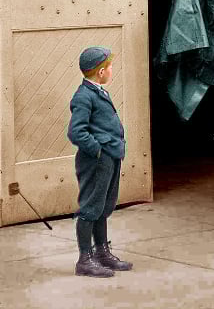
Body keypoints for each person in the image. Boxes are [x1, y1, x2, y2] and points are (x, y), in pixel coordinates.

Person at [68, 47, 133, 278]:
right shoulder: (83, 96)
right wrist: (97, 150)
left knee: (104, 206)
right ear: (102, 71)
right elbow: (76, 132)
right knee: (91, 208)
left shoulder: (98, 92)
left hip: (111, 157)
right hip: (97, 160)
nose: (112, 71)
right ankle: (85, 259)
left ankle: (102, 253)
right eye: (111, 67)